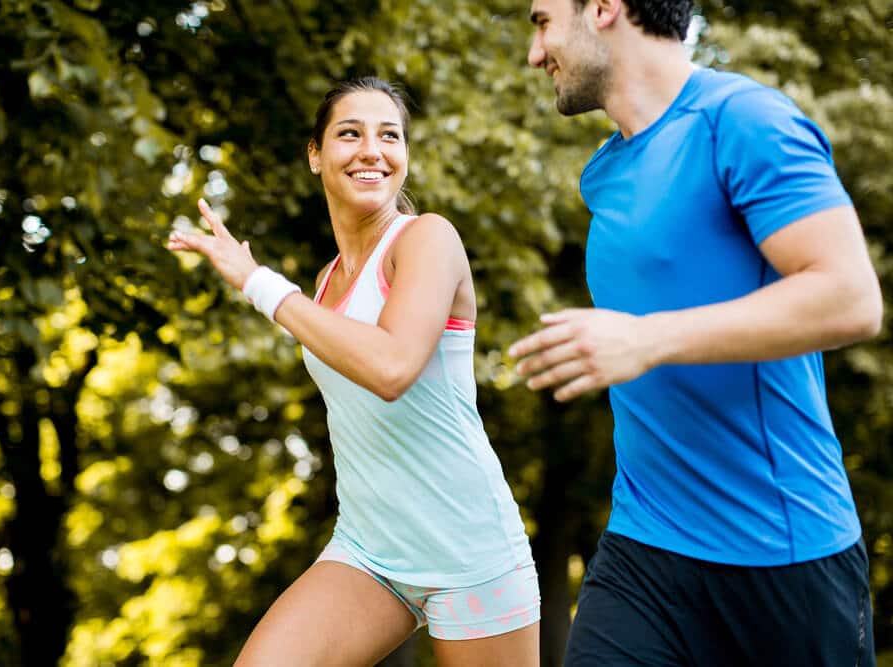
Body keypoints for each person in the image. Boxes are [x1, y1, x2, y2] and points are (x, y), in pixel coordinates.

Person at [510, 1, 884, 665]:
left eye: (542, 22)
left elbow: (850, 297)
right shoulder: (605, 170)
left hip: (783, 555)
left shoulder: (741, 121)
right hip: (645, 549)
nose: (536, 54)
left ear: (602, 8)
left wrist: (647, 339)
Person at [168, 77, 540, 667]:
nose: (372, 149)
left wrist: (257, 282)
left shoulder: (427, 239)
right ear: (315, 155)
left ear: (405, 156)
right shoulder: (324, 282)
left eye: (389, 135)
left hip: (468, 550)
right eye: (350, 134)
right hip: (370, 551)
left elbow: (391, 367)